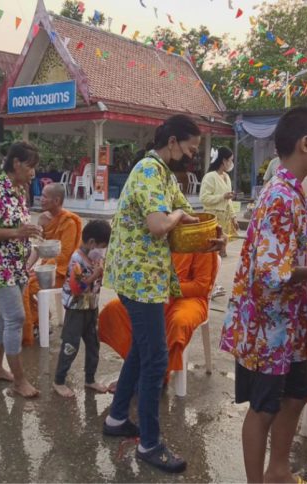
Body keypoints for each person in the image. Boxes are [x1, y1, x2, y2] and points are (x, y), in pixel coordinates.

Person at [102, 114, 226, 474]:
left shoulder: (163, 174)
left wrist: (214, 233)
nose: (191, 155)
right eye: (189, 147)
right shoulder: (147, 171)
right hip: (139, 279)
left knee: (142, 352)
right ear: (172, 141)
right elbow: (160, 225)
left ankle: (115, 419)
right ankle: (150, 444)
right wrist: (175, 215)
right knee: (156, 358)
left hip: (146, 278)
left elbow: (186, 214)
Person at [219, 107, 307, 483]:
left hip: (288, 324)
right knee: (263, 409)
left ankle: (279, 471)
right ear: (306, 144)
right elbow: (271, 274)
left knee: (299, 392)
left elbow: (281, 251)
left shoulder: (290, 190)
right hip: (267, 327)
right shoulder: (281, 195)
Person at [0, 141, 43, 398]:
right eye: (30, 166)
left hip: (17, 265)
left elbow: (18, 226)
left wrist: (30, 232)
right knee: (15, 318)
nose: (33, 173)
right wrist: (17, 232)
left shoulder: (18, 190)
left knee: (5, 317)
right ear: (16, 163)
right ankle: (19, 381)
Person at [99, 251, 219, 388]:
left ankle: (159, 374)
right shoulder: (161, 234)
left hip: (190, 298)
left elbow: (200, 286)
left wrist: (165, 289)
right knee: (114, 309)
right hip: (157, 293)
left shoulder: (200, 237)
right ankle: (138, 369)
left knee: (179, 321)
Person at [53, 219, 112, 398]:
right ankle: (59, 380)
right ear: (92, 243)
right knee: (71, 345)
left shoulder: (96, 258)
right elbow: (76, 288)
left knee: (93, 344)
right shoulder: (76, 260)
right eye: (101, 246)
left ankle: (90, 379)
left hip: (91, 307)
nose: (102, 250)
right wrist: (95, 275)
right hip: (76, 309)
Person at [22, 183, 83, 345]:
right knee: (20, 282)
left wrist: (42, 268)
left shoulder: (69, 222)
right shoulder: (43, 218)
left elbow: (65, 254)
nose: (41, 199)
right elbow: (39, 247)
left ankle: (38, 321)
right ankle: (38, 319)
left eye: (44, 196)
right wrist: (28, 266)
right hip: (45, 269)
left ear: (56, 200)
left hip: (61, 272)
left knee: (26, 287)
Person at [200, 146, 237, 258]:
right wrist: (222, 196)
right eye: (230, 160)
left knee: (221, 249)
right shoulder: (210, 177)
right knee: (213, 248)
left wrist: (233, 216)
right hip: (213, 217)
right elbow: (204, 198)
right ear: (224, 161)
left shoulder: (226, 177)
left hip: (224, 217)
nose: (231, 163)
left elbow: (228, 200)